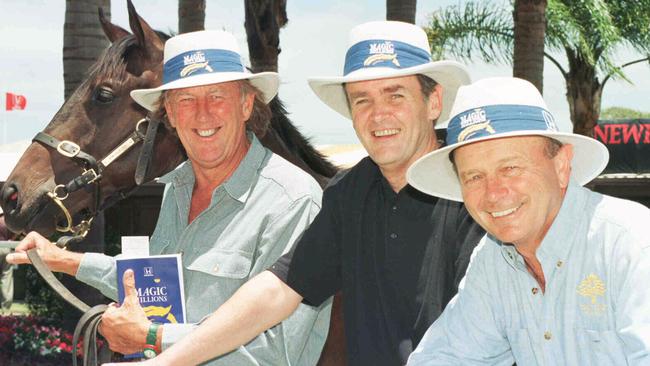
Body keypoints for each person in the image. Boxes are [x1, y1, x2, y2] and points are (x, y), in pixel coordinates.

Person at [104, 20, 485, 366]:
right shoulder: (350, 194)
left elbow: (482, 334)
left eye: (395, 95)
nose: (378, 115)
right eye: (362, 100)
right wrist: (160, 358)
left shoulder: (479, 189)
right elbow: (277, 291)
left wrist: (154, 340)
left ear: (433, 102)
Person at [8, 30, 331, 365]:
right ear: (170, 116)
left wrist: (151, 337)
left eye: (217, 96)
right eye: (186, 100)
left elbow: (278, 351)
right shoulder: (177, 190)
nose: (203, 114)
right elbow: (158, 284)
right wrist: (65, 260)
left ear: (246, 104)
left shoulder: (292, 200)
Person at [405, 77, 650, 365]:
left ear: (561, 165)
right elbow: (445, 356)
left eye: (510, 168)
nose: (493, 194)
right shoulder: (495, 257)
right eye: (474, 177)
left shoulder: (631, 245)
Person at [0, 214, 15, 311]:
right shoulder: (8, 220)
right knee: (7, 278)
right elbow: (16, 231)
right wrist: (11, 240)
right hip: (6, 247)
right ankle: (6, 307)